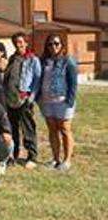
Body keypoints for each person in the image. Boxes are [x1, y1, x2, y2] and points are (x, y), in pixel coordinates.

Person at [37, 34, 78, 172]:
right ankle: (55, 159)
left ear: (62, 45)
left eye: (56, 44)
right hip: (47, 101)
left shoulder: (68, 61)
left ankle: (67, 161)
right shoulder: (44, 61)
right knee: (52, 130)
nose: (53, 47)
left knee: (65, 129)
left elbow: (73, 83)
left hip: (62, 101)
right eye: (50, 44)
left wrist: (70, 101)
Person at [4, 32, 41, 169]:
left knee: (27, 128)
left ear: (26, 43)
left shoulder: (32, 60)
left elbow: (37, 81)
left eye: (20, 42)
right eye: (15, 42)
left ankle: (32, 156)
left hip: (24, 99)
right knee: (13, 128)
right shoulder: (12, 58)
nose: (18, 45)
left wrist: (31, 98)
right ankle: (13, 154)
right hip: (10, 99)